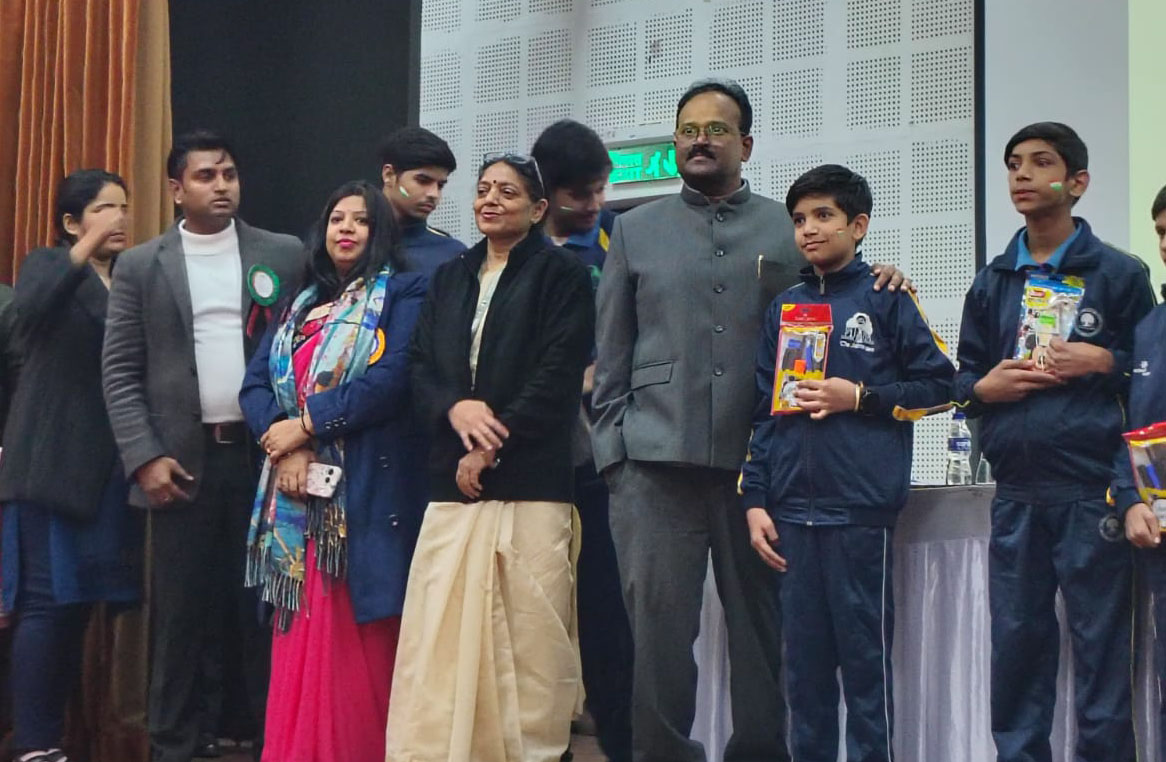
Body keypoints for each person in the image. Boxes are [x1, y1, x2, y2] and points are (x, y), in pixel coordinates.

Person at [591, 77, 907, 762]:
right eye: (688, 130)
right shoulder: (633, 230)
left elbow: (837, 285)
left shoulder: (784, 227)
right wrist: (614, 456)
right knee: (658, 640)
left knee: (765, 636)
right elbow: (610, 353)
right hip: (652, 464)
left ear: (746, 144)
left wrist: (885, 275)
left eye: (716, 130)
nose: (699, 141)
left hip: (760, 472)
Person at [953, 122, 1154, 762]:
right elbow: (962, 378)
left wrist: (1105, 361)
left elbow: (1152, 378)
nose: (1022, 174)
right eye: (1014, 163)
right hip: (1017, 493)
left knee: (1101, 653)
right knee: (1016, 648)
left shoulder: (1119, 274)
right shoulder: (993, 280)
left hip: (1094, 493)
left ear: (1077, 182)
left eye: (1041, 163)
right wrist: (983, 387)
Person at [102, 129, 305, 762]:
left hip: (264, 459)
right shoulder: (143, 264)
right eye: (206, 176)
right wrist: (144, 456)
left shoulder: (284, 253)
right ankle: (174, 745)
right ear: (175, 189)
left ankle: (272, 738)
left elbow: (306, 350)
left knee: (265, 609)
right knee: (180, 617)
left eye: (229, 174)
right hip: (180, 465)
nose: (222, 186)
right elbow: (120, 372)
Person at [740, 165, 954, 762]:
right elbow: (763, 411)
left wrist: (859, 397)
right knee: (803, 676)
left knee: (865, 672)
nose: (808, 229)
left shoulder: (887, 297)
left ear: (858, 226)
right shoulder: (784, 306)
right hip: (790, 516)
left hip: (860, 515)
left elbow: (945, 387)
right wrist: (755, 499)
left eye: (823, 216)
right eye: (799, 219)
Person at [385, 153, 594, 762]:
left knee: (530, 641)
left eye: (507, 191)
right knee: (441, 638)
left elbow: (558, 373)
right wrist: (455, 410)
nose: (490, 200)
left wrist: (490, 442)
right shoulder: (450, 275)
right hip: (450, 479)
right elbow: (421, 365)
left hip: (531, 477)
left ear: (538, 209)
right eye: (483, 190)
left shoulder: (562, 275)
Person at [238, 180, 427, 762]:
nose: (346, 229)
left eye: (361, 220)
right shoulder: (299, 303)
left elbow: (391, 381)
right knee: (299, 629)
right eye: (337, 219)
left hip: (365, 493)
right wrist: (288, 446)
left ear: (381, 232)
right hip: (294, 494)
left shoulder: (404, 293)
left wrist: (308, 425)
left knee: (356, 636)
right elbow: (254, 386)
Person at [0, 169, 141, 762]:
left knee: (81, 606)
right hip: (51, 465)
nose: (119, 218)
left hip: (110, 472)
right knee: (44, 604)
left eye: (124, 207)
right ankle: (34, 742)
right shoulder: (48, 265)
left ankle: (57, 736)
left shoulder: (134, 278)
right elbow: (25, 313)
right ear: (70, 222)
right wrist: (81, 252)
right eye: (104, 209)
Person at [531, 118, 632, 762]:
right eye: (579, 194)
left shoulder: (620, 237)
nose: (594, 204)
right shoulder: (514, 251)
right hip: (534, 460)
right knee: (536, 614)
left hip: (607, 461)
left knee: (607, 615)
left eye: (600, 189)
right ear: (544, 193)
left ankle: (621, 743)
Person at [1119, 182, 1166, 761]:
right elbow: (1126, 425)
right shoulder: (1150, 327)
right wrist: (1130, 498)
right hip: (1160, 533)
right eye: (1160, 232)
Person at [379, 126, 466, 278]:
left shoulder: (452, 255)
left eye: (440, 185)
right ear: (389, 175)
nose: (434, 194)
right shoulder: (347, 240)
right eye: (423, 180)